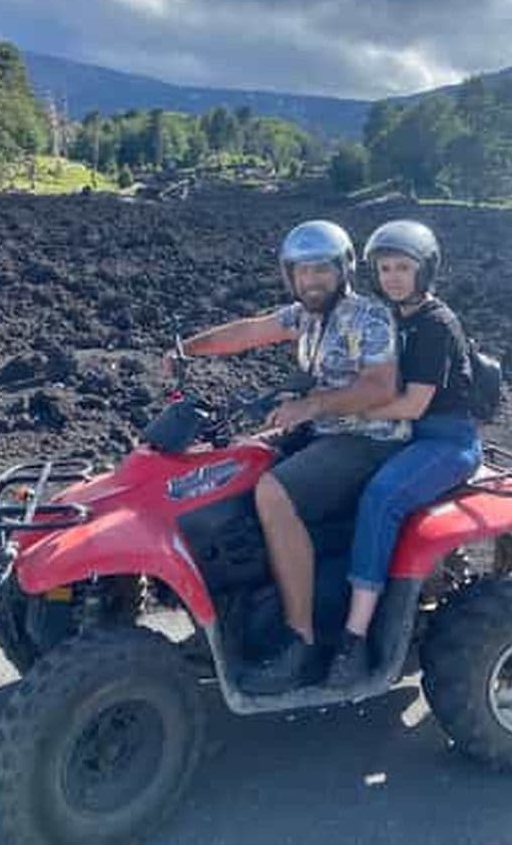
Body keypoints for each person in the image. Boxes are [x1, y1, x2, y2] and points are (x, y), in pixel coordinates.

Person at [163, 220, 408, 694]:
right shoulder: (305, 316)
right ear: (289, 275)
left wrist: (311, 405)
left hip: (370, 440)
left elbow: (381, 387)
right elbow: (251, 331)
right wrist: (188, 348)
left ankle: (300, 642)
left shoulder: (368, 316)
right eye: (302, 272)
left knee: (273, 493)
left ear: (343, 270)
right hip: (324, 431)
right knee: (232, 467)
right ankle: (239, 618)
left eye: (321, 270)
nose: (312, 281)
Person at [325, 219, 483, 688]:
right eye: (385, 268)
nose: (393, 277)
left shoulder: (434, 325)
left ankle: (354, 639)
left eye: (403, 268)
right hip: (402, 431)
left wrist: (346, 413)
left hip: (444, 440)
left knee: (382, 497)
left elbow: (414, 403)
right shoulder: (387, 316)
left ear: (425, 270)